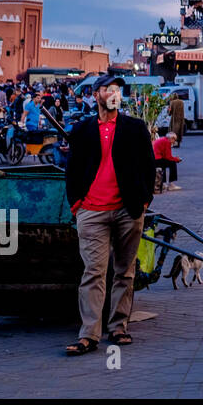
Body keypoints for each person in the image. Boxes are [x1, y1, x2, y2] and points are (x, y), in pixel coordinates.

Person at [63, 76, 156, 356]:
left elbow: (148, 166)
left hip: (128, 210)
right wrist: (77, 204)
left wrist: (143, 201)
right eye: (108, 89)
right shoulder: (82, 130)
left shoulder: (135, 128)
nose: (114, 93)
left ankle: (118, 327)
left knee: (125, 272)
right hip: (92, 211)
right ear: (96, 95)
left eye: (117, 90)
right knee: (93, 272)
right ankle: (89, 334)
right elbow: (73, 169)